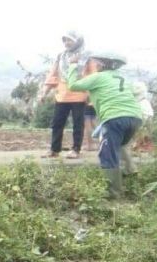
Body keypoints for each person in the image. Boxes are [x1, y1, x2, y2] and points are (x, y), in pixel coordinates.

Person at [66, 52, 143, 198]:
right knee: (120, 146)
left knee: (108, 154)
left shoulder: (98, 77)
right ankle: (132, 180)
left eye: (96, 62)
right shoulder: (123, 78)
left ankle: (114, 194)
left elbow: (73, 85)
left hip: (114, 118)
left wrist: (72, 65)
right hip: (135, 118)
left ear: (101, 64)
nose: (95, 64)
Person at [40, 31, 88, 159]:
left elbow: (92, 75)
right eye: (65, 40)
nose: (67, 43)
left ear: (77, 40)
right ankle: (54, 150)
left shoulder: (86, 56)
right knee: (57, 122)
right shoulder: (61, 56)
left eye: (69, 40)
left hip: (79, 94)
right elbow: (53, 74)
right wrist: (44, 92)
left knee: (78, 123)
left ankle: (76, 149)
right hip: (62, 95)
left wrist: (91, 93)